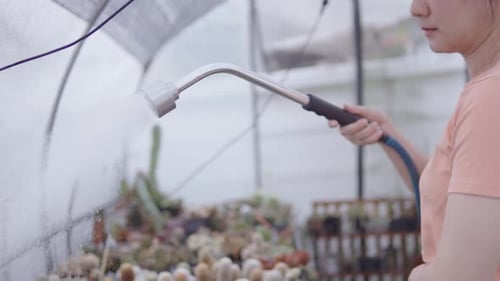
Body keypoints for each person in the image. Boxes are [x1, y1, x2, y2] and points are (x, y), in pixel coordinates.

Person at [328, 0, 500, 280]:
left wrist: (416, 275)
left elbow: (459, 277)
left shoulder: (491, 96)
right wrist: (387, 135)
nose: (416, 8)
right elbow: (458, 195)